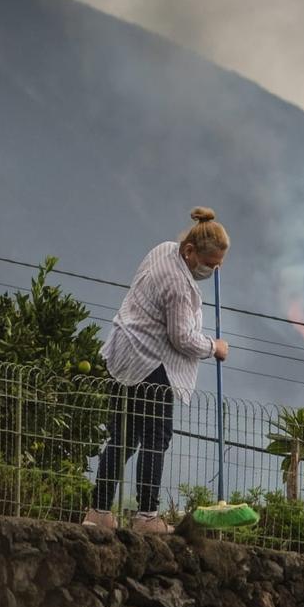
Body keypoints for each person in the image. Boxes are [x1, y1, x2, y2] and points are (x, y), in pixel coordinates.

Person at [82, 207, 231, 533]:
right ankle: (146, 517)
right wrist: (214, 347)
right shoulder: (177, 284)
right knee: (155, 438)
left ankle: (98, 513)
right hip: (151, 365)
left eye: (218, 265)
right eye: (210, 264)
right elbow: (182, 339)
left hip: (125, 355)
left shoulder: (164, 249)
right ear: (190, 252)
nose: (213, 271)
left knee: (123, 438)